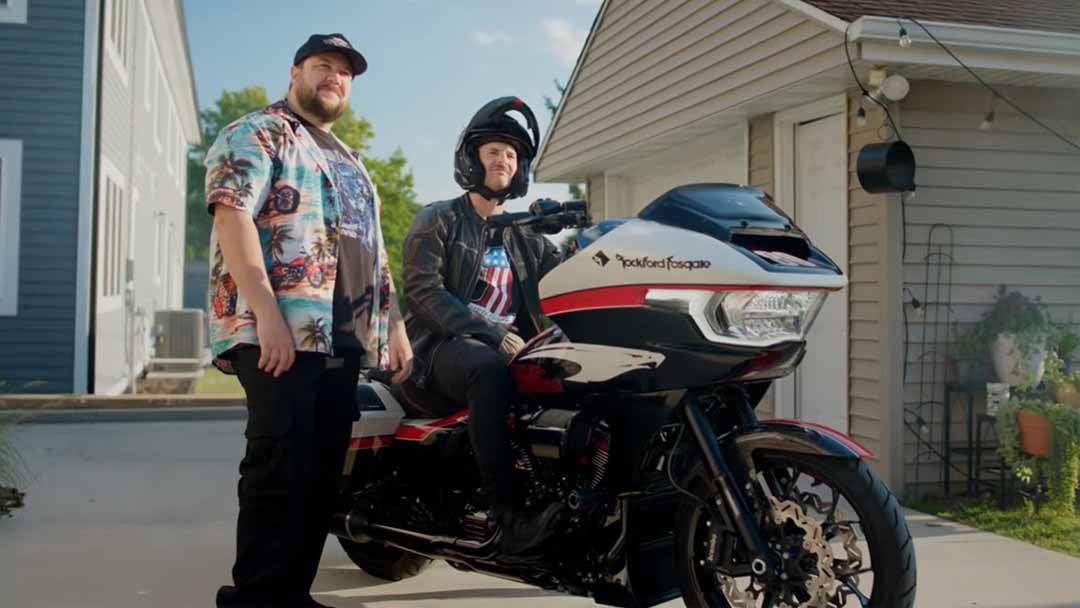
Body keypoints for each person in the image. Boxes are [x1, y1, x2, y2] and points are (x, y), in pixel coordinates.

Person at [205, 33, 412, 608]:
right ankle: (256, 597)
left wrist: (391, 325)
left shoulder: (348, 158)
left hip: (340, 338)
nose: (335, 78)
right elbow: (232, 217)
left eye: (344, 72)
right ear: (295, 72)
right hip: (279, 333)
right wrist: (266, 314)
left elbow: (373, 248)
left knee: (321, 476)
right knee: (278, 467)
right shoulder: (256, 131)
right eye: (324, 66)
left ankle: (291, 592)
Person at [401, 97, 562, 555]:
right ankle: (507, 515)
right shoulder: (439, 218)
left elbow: (564, 280)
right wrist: (491, 333)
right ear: (472, 159)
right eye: (494, 152)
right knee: (489, 369)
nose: (503, 161)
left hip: (508, 346)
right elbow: (424, 293)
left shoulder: (525, 234)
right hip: (437, 348)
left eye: (511, 155)